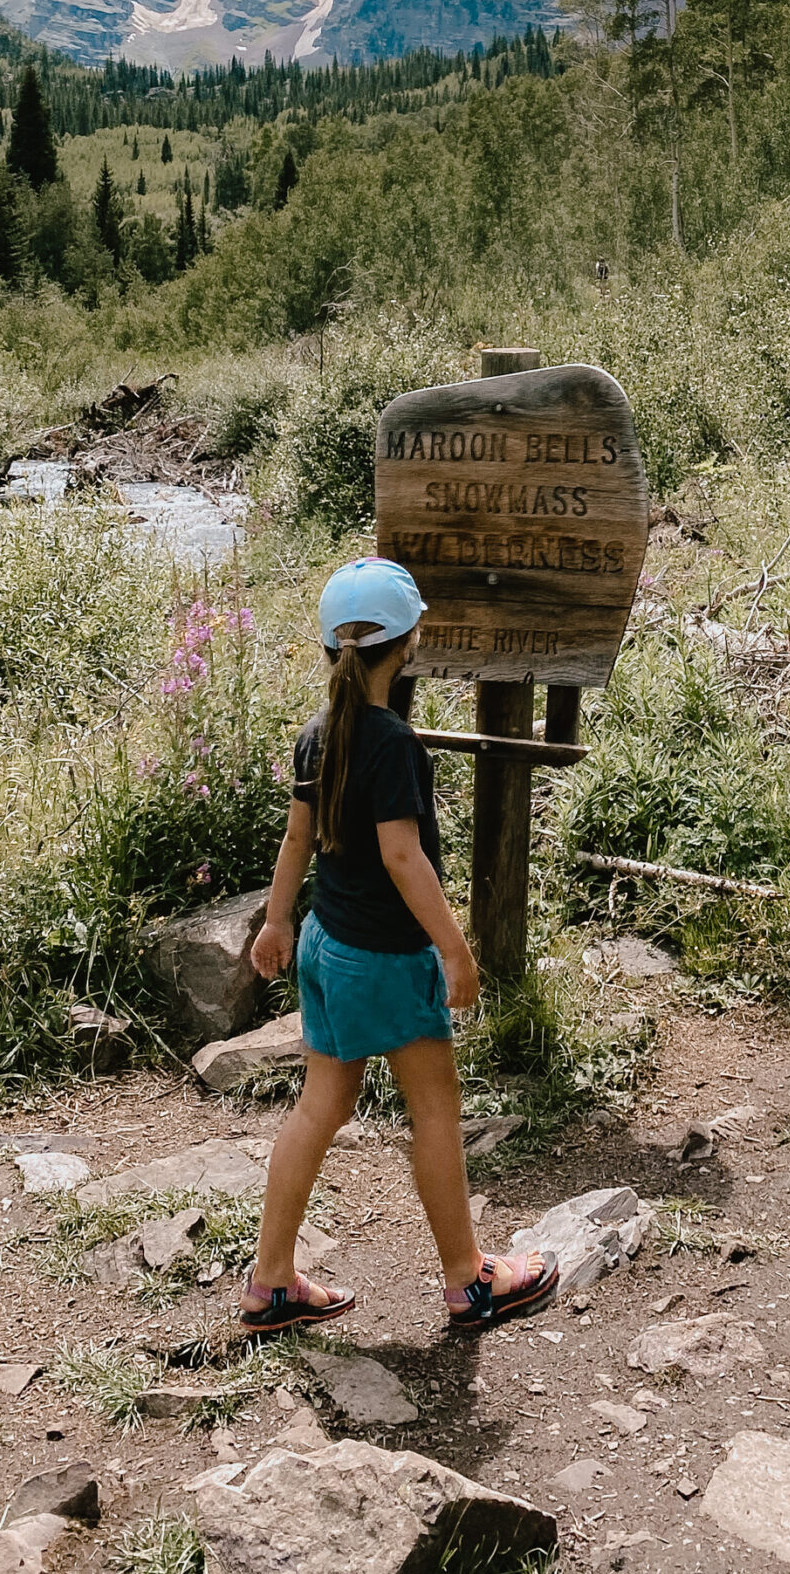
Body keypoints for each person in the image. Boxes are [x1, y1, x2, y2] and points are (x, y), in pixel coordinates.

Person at [238, 556, 559, 1336]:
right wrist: (455, 950)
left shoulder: (318, 737)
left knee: (320, 1106)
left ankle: (271, 1281)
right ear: (410, 641)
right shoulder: (393, 744)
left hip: (325, 945)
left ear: (327, 648)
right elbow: (403, 857)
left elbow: (295, 837)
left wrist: (277, 922)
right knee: (436, 1109)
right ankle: (469, 1280)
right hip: (384, 958)